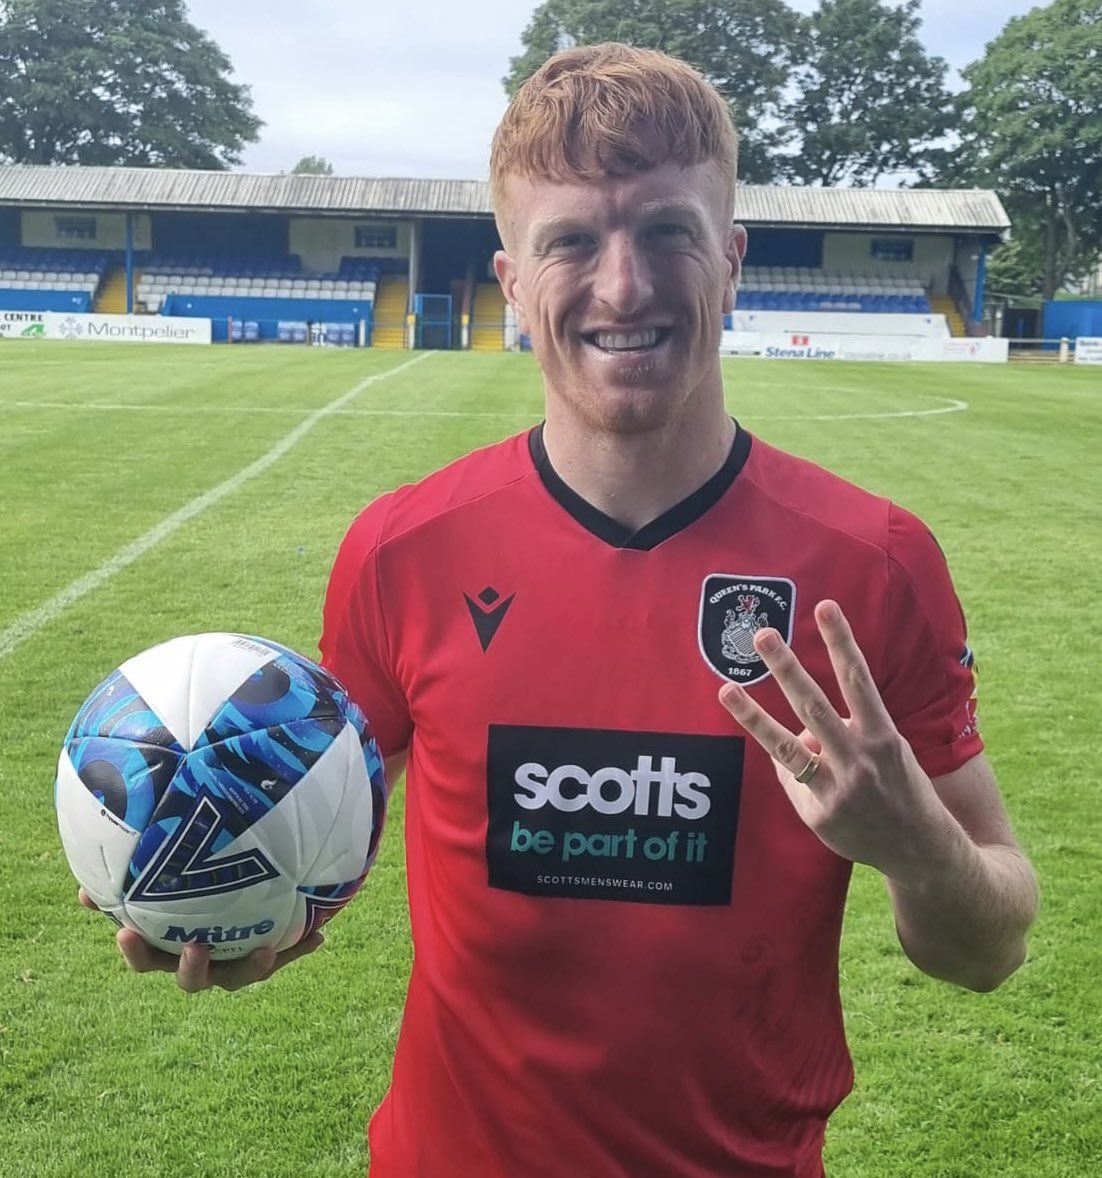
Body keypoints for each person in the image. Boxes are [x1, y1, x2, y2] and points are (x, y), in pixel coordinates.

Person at [92, 42, 1039, 1178]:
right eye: (574, 241)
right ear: (512, 281)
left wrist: (916, 846)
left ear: (730, 259)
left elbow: (989, 947)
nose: (622, 285)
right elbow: (325, 817)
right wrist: (260, 915)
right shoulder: (400, 552)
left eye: (666, 231)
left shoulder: (871, 566)